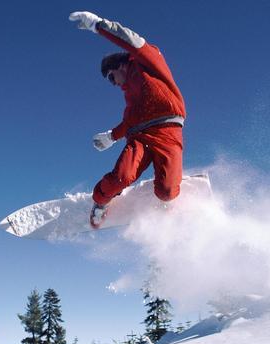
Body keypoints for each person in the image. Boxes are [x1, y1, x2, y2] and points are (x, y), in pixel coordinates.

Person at [69, 11, 186, 228]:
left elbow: (131, 39)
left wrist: (99, 25)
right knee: (121, 177)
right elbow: (131, 121)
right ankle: (100, 203)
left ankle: (169, 191)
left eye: (111, 77)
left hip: (168, 131)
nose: (114, 84)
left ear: (119, 65)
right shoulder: (130, 95)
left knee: (167, 192)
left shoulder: (146, 62)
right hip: (140, 137)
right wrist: (111, 137)